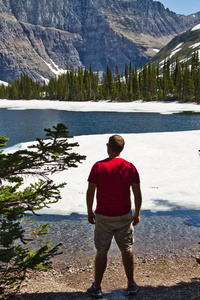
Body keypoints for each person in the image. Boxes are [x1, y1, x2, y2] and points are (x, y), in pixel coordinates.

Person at [86, 134, 142, 298]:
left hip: (103, 216)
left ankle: (97, 287)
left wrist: (90, 211)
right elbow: (137, 194)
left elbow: (91, 192)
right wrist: (136, 213)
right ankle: (131, 284)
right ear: (121, 149)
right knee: (127, 249)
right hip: (124, 216)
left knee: (102, 251)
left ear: (108, 147)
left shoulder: (98, 167)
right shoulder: (129, 167)